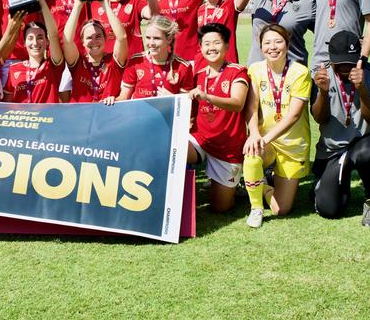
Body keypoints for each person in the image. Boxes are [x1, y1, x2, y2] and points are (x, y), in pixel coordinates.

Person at [243, 24, 311, 228]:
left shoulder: (300, 72)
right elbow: (251, 108)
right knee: (252, 153)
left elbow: (293, 116)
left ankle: (261, 184)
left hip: (292, 145)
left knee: (281, 210)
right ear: (261, 46)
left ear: (287, 44)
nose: (273, 47)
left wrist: (264, 138)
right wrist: (255, 134)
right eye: (267, 42)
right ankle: (256, 208)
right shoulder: (255, 70)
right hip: (267, 142)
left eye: (278, 41)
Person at [311, 31, 370, 227]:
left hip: (365, 142)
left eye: (350, 62)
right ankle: (334, 183)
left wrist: (362, 89)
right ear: (331, 59)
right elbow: (319, 118)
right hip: (334, 149)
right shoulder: (320, 74)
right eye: (340, 63)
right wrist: (323, 93)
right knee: (329, 209)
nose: (345, 68)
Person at [188, 23, 250, 212]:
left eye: (216, 43)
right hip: (201, 139)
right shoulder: (197, 75)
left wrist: (208, 97)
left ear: (226, 46)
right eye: (206, 43)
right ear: (200, 47)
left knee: (220, 208)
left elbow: (238, 103)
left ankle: (238, 186)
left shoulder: (237, 71)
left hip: (227, 147)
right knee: (173, 148)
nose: (211, 47)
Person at [62, 0, 128, 103]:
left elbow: (122, 38)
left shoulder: (113, 62)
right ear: (82, 41)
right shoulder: (78, 62)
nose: (94, 41)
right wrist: (78, 6)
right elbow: (67, 41)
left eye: (98, 36)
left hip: (108, 115)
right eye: (88, 38)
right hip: (81, 117)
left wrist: (105, 5)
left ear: (105, 39)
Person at [3, 0, 64, 103]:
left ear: (47, 42)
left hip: (46, 119)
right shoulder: (13, 69)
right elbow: (7, 104)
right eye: (30, 38)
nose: (35, 42)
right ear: (25, 43)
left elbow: (54, 35)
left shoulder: (52, 66)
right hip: (22, 120)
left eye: (40, 37)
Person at [117, 16, 194, 100]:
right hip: (140, 112)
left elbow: (185, 104)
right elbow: (124, 97)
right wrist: (112, 100)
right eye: (148, 38)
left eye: (157, 38)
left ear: (169, 39)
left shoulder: (183, 67)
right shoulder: (135, 61)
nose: (151, 43)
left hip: (166, 113)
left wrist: (171, 99)